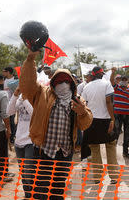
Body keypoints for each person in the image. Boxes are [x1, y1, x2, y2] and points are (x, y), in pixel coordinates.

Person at [19, 48, 93, 199]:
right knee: (40, 190)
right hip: (43, 151)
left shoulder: (77, 99)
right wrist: (30, 60)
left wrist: (82, 112)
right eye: (59, 81)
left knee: (58, 189)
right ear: (53, 82)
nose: (63, 84)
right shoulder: (42, 93)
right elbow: (27, 86)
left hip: (65, 153)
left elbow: (85, 124)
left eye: (66, 81)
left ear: (72, 83)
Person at [81, 66, 118, 184]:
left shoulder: (86, 87)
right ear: (102, 74)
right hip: (106, 120)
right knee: (110, 147)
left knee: (95, 148)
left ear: (93, 75)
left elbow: (84, 104)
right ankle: (114, 176)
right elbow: (108, 101)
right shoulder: (107, 84)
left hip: (91, 121)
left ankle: (97, 177)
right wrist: (112, 119)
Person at [6, 86, 35, 199]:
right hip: (19, 139)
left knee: (28, 171)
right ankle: (27, 194)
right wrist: (15, 95)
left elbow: (34, 114)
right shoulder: (19, 97)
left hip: (31, 140)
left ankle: (32, 194)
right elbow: (9, 111)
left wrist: (25, 99)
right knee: (23, 170)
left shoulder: (37, 97)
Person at [110, 70, 129, 158]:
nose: (123, 81)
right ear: (120, 81)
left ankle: (125, 152)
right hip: (117, 114)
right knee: (116, 133)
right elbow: (111, 81)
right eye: (122, 79)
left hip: (127, 114)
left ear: (127, 81)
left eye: (125, 80)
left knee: (127, 134)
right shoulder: (116, 87)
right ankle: (113, 151)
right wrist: (113, 72)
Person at [3, 66, 17, 144]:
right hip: (4, 103)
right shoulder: (3, 80)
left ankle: (12, 137)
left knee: (11, 121)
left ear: (8, 72)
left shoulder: (15, 80)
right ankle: (5, 137)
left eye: (4, 71)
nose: (3, 73)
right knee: (4, 121)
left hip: (12, 104)